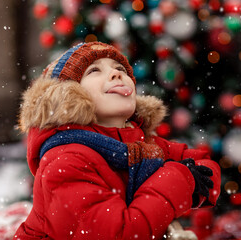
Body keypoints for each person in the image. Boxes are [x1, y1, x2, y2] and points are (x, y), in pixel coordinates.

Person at [13, 41, 221, 240]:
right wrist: (180, 181)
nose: (117, 73)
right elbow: (119, 234)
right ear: (67, 95)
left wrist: (194, 186)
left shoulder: (142, 142)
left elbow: (205, 166)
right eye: (94, 70)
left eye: (120, 67)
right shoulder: (65, 161)